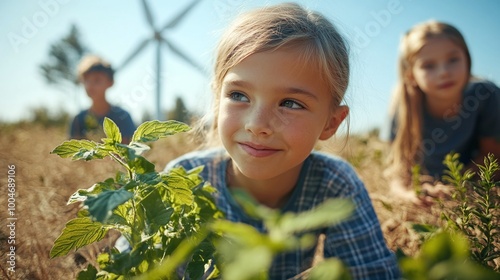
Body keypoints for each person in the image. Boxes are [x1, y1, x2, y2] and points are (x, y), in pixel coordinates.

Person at [165, 3, 401, 279]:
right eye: (239, 96)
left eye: (290, 103)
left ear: (331, 122)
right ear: (217, 100)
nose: (257, 125)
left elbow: (370, 273)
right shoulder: (184, 181)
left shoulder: (334, 184)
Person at [386, 20, 500, 202]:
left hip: (472, 185)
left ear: (467, 60)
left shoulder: (485, 95)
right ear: (411, 75)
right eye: (428, 65)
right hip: (428, 188)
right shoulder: (404, 106)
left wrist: (456, 186)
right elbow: (398, 175)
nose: (443, 72)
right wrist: (411, 195)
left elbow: (493, 157)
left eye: (453, 59)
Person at [69, 54, 136, 144]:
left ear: (110, 82)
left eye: (97, 80)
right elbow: (73, 155)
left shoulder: (122, 117)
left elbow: (126, 153)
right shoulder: (78, 120)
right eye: (87, 80)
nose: (90, 85)